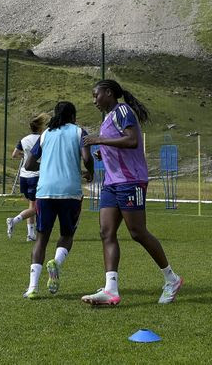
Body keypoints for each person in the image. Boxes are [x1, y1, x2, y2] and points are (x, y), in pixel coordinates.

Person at [81, 79, 183, 306]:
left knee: (137, 232)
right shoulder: (108, 118)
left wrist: (99, 140)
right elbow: (117, 144)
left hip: (130, 181)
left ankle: (172, 279)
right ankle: (110, 289)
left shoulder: (122, 110)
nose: (94, 100)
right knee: (106, 232)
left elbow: (132, 140)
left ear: (108, 92)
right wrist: (103, 151)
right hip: (111, 183)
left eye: (96, 95)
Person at [21, 102, 93, 299]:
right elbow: (87, 158)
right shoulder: (79, 132)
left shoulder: (45, 134)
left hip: (45, 192)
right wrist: (90, 172)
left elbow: (29, 163)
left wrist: (47, 166)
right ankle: (56, 263)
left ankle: (32, 287)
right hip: (70, 191)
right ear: (73, 116)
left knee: (42, 238)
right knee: (67, 235)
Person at [7, 113, 49, 241]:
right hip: (37, 175)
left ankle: (30, 234)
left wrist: (25, 157)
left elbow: (14, 155)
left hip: (24, 176)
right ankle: (14, 220)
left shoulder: (23, 139)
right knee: (38, 207)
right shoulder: (43, 138)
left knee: (32, 205)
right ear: (41, 127)